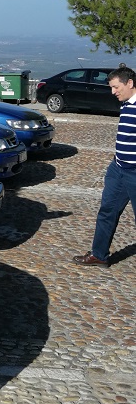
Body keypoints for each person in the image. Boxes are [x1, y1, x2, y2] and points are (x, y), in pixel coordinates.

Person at [73, 65, 136, 268]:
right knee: (107, 211)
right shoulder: (126, 104)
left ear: (130, 83)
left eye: (116, 87)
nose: (113, 92)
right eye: (111, 88)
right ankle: (99, 255)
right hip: (118, 169)